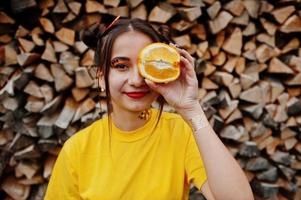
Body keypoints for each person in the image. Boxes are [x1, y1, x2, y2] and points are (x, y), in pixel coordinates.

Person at [45, 17, 254, 200]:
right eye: (121, 66)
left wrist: (192, 110)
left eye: (146, 64)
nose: (136, 80)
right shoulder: (77, 150)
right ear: (101, 77)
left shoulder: (180, 132)